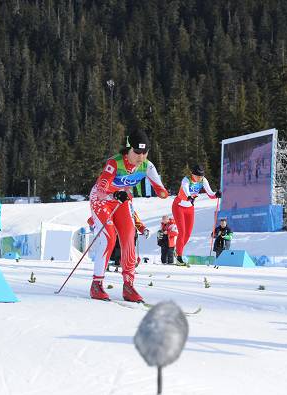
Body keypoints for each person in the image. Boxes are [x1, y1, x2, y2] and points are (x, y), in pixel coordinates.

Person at [89, 127, 168, 302]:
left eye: (145, 152)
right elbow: (101, 189)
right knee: (109, 237)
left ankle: (129, 286)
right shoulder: (115, 163)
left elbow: (160, 187)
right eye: (137, 152)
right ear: (129, 148)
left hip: (122, 200)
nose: (141, 157)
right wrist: (115, 193)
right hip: (102, 200)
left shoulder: (147, 165)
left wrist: (162, 192)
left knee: (129, 236)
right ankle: (97, 284)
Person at [171, 164, 220, 265]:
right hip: (178, 206)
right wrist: (189, 197)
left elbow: (210, 194)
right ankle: (179, 256)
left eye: (201, 176)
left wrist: (216, 195)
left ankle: (177, 251)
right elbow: (185, 190)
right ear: (193, 174)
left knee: (188, 234)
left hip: (189, 208)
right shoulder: (186, 180)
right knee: (182, 232)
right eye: (197, 176)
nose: (199, 178)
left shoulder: (203, 180)